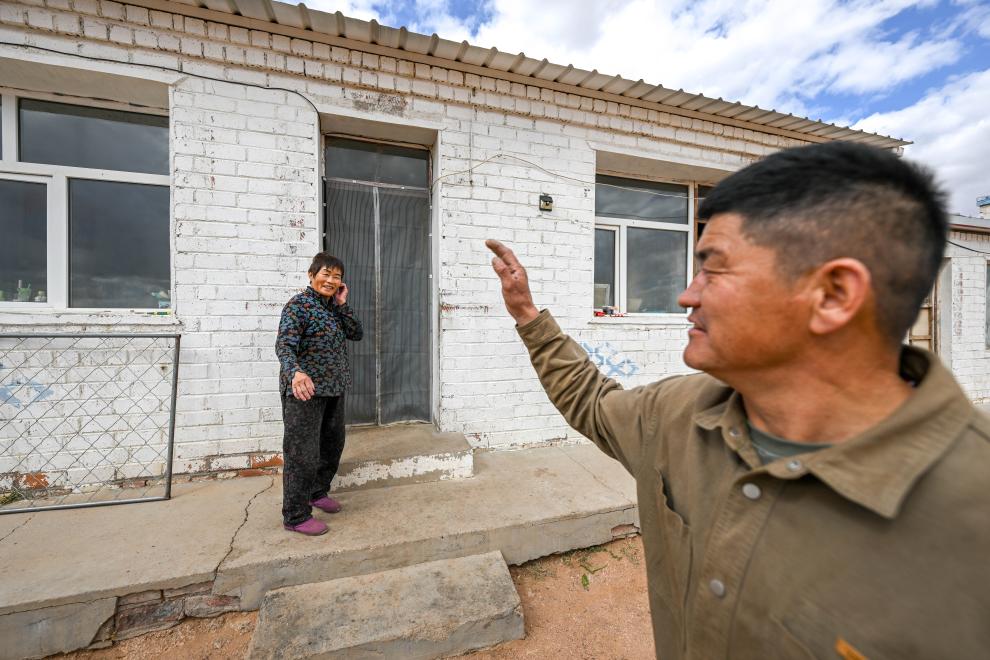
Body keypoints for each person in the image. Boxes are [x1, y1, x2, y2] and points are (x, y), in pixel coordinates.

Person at [486, 142, 989, 659]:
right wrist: (527, 314)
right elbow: (593, 403)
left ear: (833, 294)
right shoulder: (676, 415)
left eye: (714, 268)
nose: (686, 295)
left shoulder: (972, 520)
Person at [275, 252, 363, 536]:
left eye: (337, 276)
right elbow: (284, 346)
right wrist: (296, 372)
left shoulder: (334, 308)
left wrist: (342, 304)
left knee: (332, 446)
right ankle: (295, 515)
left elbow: (356, 333)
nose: (331, 280)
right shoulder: (298, 306)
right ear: (311, 275)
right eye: (326, 274)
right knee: (302, 454)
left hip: (334, 389)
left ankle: (317, 492)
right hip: (305, 391)